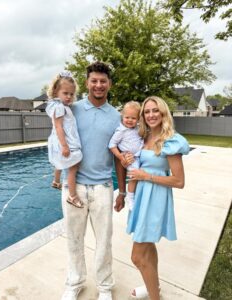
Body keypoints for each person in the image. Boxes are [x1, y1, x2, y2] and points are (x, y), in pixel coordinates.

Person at [61, 61, 126, 300]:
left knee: (104, 241)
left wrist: (122, 191)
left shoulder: (117, 116)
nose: (98, 85)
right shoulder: (72, 109)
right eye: (94, 80)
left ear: (109, 84)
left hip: (102, 186)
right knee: (74, 238)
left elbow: (118, 157)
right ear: (87, 82)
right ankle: (74, 282)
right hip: (73, 186)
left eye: (103, 81)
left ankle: (105, 287)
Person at [125, 96, 190, 300]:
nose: (151, 115)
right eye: (147, 111)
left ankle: (154, 297)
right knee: (149, 246)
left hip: (155, 199)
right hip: (142, 197)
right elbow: (139, 164)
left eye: (156, 111)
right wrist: (131, 162)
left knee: (137, 256)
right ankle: (154, 288)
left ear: (163, 114)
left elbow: (179, 181)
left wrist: (147, 176)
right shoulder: (143, 137)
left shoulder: (170, 140)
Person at [46, 71, 83, 208]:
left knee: (59, 162)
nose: (69, 97)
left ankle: (56, 181)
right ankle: (72, 196)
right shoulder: (60, 107)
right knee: (74, 167)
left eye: (71, 94)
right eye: (65, 93)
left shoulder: (56, 105)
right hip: (65, 142)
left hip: (60, 142)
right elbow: (58, 127)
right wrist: (65, 146)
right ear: (56, 92)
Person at [109, 101, 143, 210]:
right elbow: (112, 145)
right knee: (134, 176)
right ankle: (130, 196)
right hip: (130, 159)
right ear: (122, 116)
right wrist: (120, 156)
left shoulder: (138, 129)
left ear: (138, 119)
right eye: (127, 117)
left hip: (138, 157)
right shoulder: (121, 131)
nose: (129, 120)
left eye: (133, 118)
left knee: (139, 175)